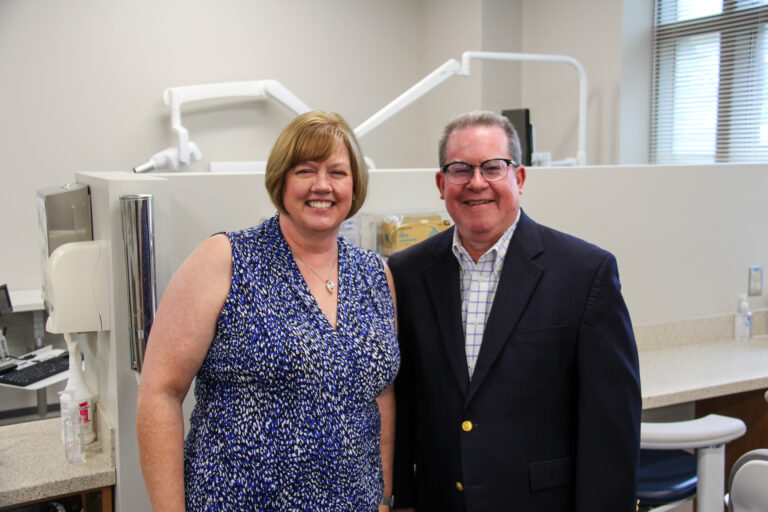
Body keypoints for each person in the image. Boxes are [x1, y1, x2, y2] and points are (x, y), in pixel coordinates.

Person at [136, 110, 400, 511]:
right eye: (305, 170)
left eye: (337, 172)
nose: (322, 185)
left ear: (355, 184)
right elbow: (160, 392)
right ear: (281, 180)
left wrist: (383, 498)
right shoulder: (226, 259)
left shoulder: (375, 274)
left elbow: (380, 393)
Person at [389, 111, 641, 511]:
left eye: (493, 167)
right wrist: (398, 498)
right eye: (460, 170)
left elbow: (610, 430)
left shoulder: (585, 273)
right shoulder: (405, 273)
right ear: (441, 184)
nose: (476, 183)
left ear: (518, 178)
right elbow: (400, 406)